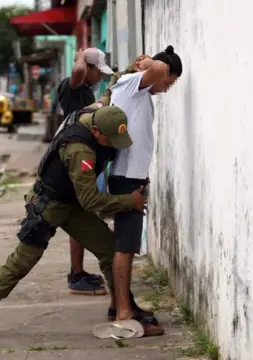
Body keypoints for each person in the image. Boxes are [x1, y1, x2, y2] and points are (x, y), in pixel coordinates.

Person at [0, 103, 146, 340]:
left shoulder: (95, 113)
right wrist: (129, 201)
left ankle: (123, 306)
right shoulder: (79, 150)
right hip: (49, 204)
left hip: (72, 203)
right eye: (110, 139)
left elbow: (111, 92)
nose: (114, 144)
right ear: (96, 132)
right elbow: (91, 200)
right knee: (23, 260)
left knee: (109, 248)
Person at [103, 45, 183, 336]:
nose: (166, 87)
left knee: (127, 246)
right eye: (168, 82)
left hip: (131, 178)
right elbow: (159, 69)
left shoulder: (138, 92)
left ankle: (121, 305)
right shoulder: (131, 84)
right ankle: (124, 312)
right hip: (126, 179)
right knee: (125, 247)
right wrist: (152, 63)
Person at [57, 47, 115, 296]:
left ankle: (77, 272)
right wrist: (81, 55)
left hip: (81, 154)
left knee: (80, 213)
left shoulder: (86, 90)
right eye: (98, 72)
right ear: (89, 68)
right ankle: (76, 274)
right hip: (73, 155)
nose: (100, 77)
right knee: (78, 214)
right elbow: (79, 70)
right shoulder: (72, 87)